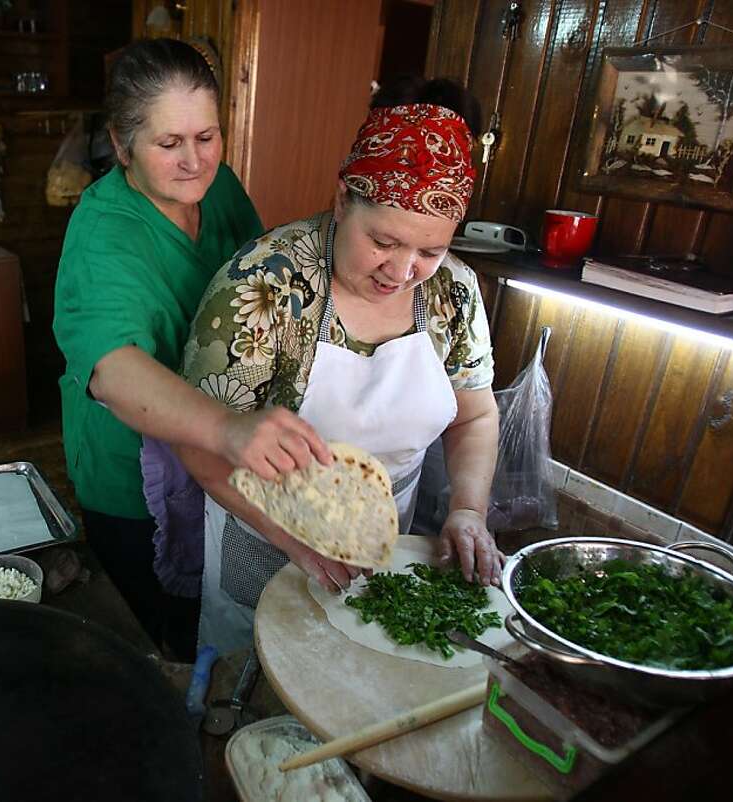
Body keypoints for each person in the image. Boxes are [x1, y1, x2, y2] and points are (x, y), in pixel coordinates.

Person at [178, 79, 504, 652]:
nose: (402, 271)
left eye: (429, 251)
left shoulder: (455, 291)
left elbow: (474, 415)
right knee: (256, 675)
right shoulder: (263, 285)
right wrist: (299, 541)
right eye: (383, 242)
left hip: (384, 537)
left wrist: (468, 510)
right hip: (263, 534)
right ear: (342, 201)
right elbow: (201, 445)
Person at [52, 38, 330, 660]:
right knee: (165, 638)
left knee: (217, 619)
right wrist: (229, 429)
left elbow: (261, 282)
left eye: (206, 137)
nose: (194, 161)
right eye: (169, 143)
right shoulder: (104, 234)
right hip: (133, 480)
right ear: (122, 146)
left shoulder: (219, 188)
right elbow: (114, 371)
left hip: (216, 456)